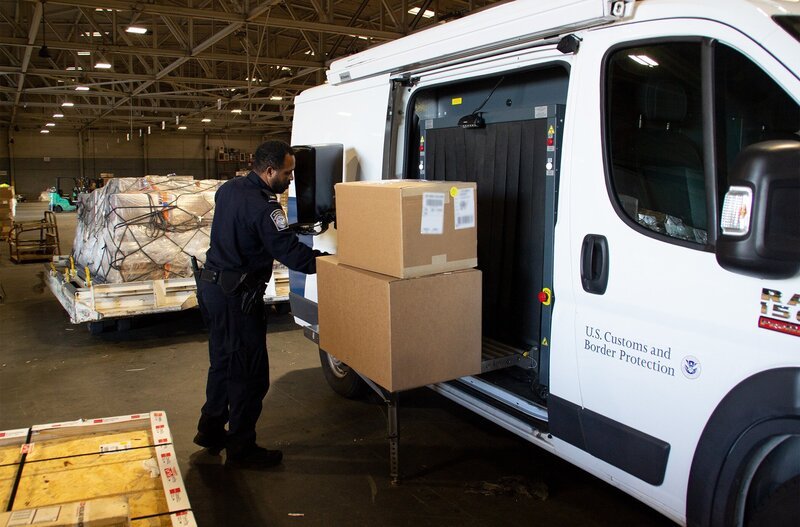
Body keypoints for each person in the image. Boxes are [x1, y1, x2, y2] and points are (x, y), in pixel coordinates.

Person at [194, 140, 324, 469]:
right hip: (238, 298)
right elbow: (290, 253)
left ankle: (209, 429)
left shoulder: (230, 189)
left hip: (213, 288)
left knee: (222, 362)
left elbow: (250, 232)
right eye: (287, 173)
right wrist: (329, 263)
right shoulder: (265, 207)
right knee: (250, 373)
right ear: (269, 171)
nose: (291, 179)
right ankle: (242, 447)